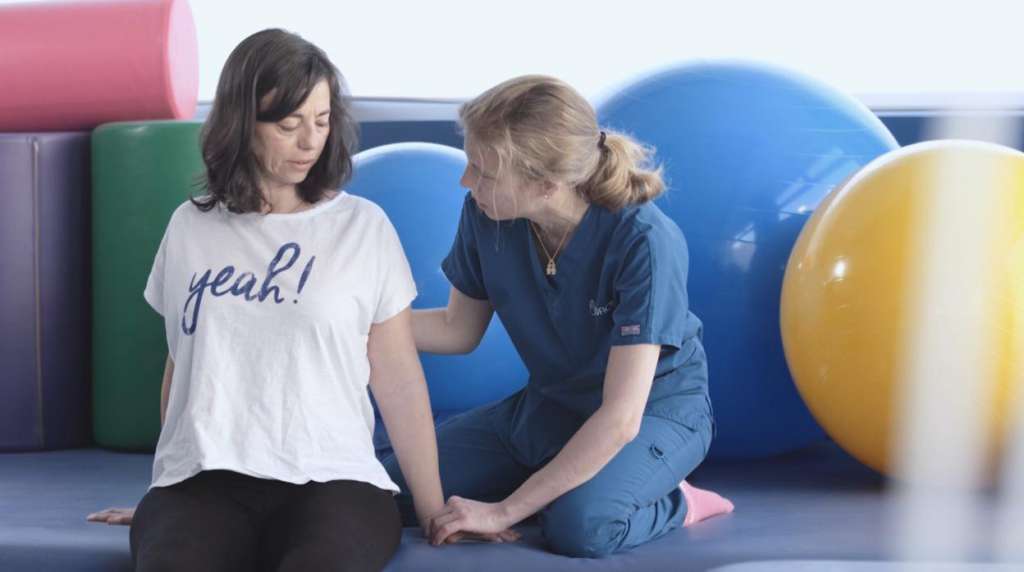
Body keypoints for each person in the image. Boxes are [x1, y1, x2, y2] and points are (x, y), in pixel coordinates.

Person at [87, 29, 448, 572]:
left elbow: (398, 381)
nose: (310, 142)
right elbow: (182, 366)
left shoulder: (363, 228)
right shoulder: (190, 227)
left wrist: (434, 510)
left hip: (334, 480)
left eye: (321, 121)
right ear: (241, 122)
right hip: (207, 482)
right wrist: (166, 490)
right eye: (288, 125)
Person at [378, 75, 734, 558]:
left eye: (483, 171)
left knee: (581, 527)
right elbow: (457, 330)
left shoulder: (644, 241)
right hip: (553, 406)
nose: (466, 181)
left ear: (546, 185)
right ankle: (556, 482)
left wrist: (503, 512)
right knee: (393, 489)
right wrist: (356, 324)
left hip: (654, 412)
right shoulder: (486, 214)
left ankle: (680, 502)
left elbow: (621, 417)